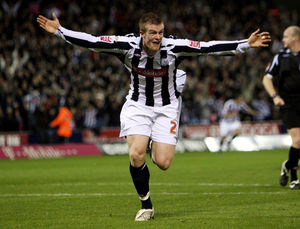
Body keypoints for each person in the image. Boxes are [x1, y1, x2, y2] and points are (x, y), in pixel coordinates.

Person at [37, 12, 270, 221]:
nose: (158, 37)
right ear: (142, 33)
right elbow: (92, 41)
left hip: (167, 107)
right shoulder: (127, 45)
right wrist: (60, 31)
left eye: (160, 32)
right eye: (152, 33)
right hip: (138, 105)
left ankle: (151, 141)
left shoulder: (173, 47)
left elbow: (206, 47)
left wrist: (244, 45)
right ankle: (146, 204)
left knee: (163, 163)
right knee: (136, 153)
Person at [262, 25, 300, 189]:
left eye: (285, 37)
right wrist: (275, 96)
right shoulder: (280, 57)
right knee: (298, 139)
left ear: (295, 38)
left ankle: (287, 165)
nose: (282, 40)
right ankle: (294, 178)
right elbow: (266, 79)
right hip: (287, 103)